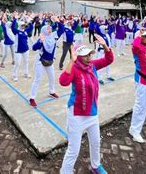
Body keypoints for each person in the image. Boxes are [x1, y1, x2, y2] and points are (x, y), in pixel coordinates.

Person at [59, 37, 114, 174]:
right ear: (79, 57)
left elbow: (108, 60)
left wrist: (105, 46)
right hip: (76, 115)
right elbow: (63, 81)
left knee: (96, 143)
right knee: (74, 150)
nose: (89, 57)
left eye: (90, 54)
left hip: (92, 113)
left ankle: (96, 166)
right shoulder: (75, 68)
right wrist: (71, 61)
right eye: (86, 55)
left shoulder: (92, 65)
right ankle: (65, 171)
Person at [29, 23, 59, 107]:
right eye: (48, 29)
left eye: (50, 28)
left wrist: (58, 21)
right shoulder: (42, 39)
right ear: (44, 31)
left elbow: (61, 29)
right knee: (37, 79)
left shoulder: (53, 37)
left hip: (49, 61)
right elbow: (34, 48)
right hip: (40, 61)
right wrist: (41, 40)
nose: (50, 30)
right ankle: (32, 98)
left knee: (52, 77)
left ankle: (51, 91)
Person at [12, 16, 33, 82]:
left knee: (26, 62)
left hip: (26, 49)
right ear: (19, 25)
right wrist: (15, 19)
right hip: (18, 50)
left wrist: (29, 21)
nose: (23, 26)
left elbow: (31, 27)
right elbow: (12, 27)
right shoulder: (16, 31)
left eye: (24, 25)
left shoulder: (26, 31)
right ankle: (14, 75)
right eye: (22, 25)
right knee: (17, 63)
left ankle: (26, 73)